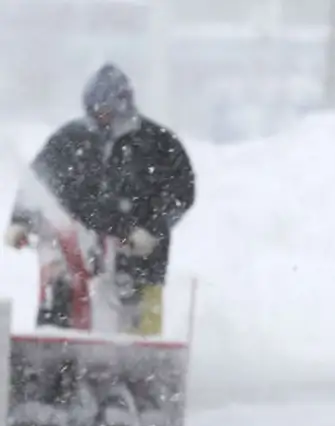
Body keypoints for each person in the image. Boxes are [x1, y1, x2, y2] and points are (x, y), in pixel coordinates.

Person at [4, 62, 195, 336]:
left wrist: (152, 231)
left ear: (124, 106)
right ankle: (56, 358)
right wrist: (21, 221)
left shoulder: (158, 145)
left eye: (107, 110)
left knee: (138, 330)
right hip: (78, 253)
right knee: (60, 304)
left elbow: (181, 194)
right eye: (96, 110)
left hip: (141, 261)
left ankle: (138, 370)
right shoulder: (70, 140)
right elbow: (37, 183)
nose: (101, 117)